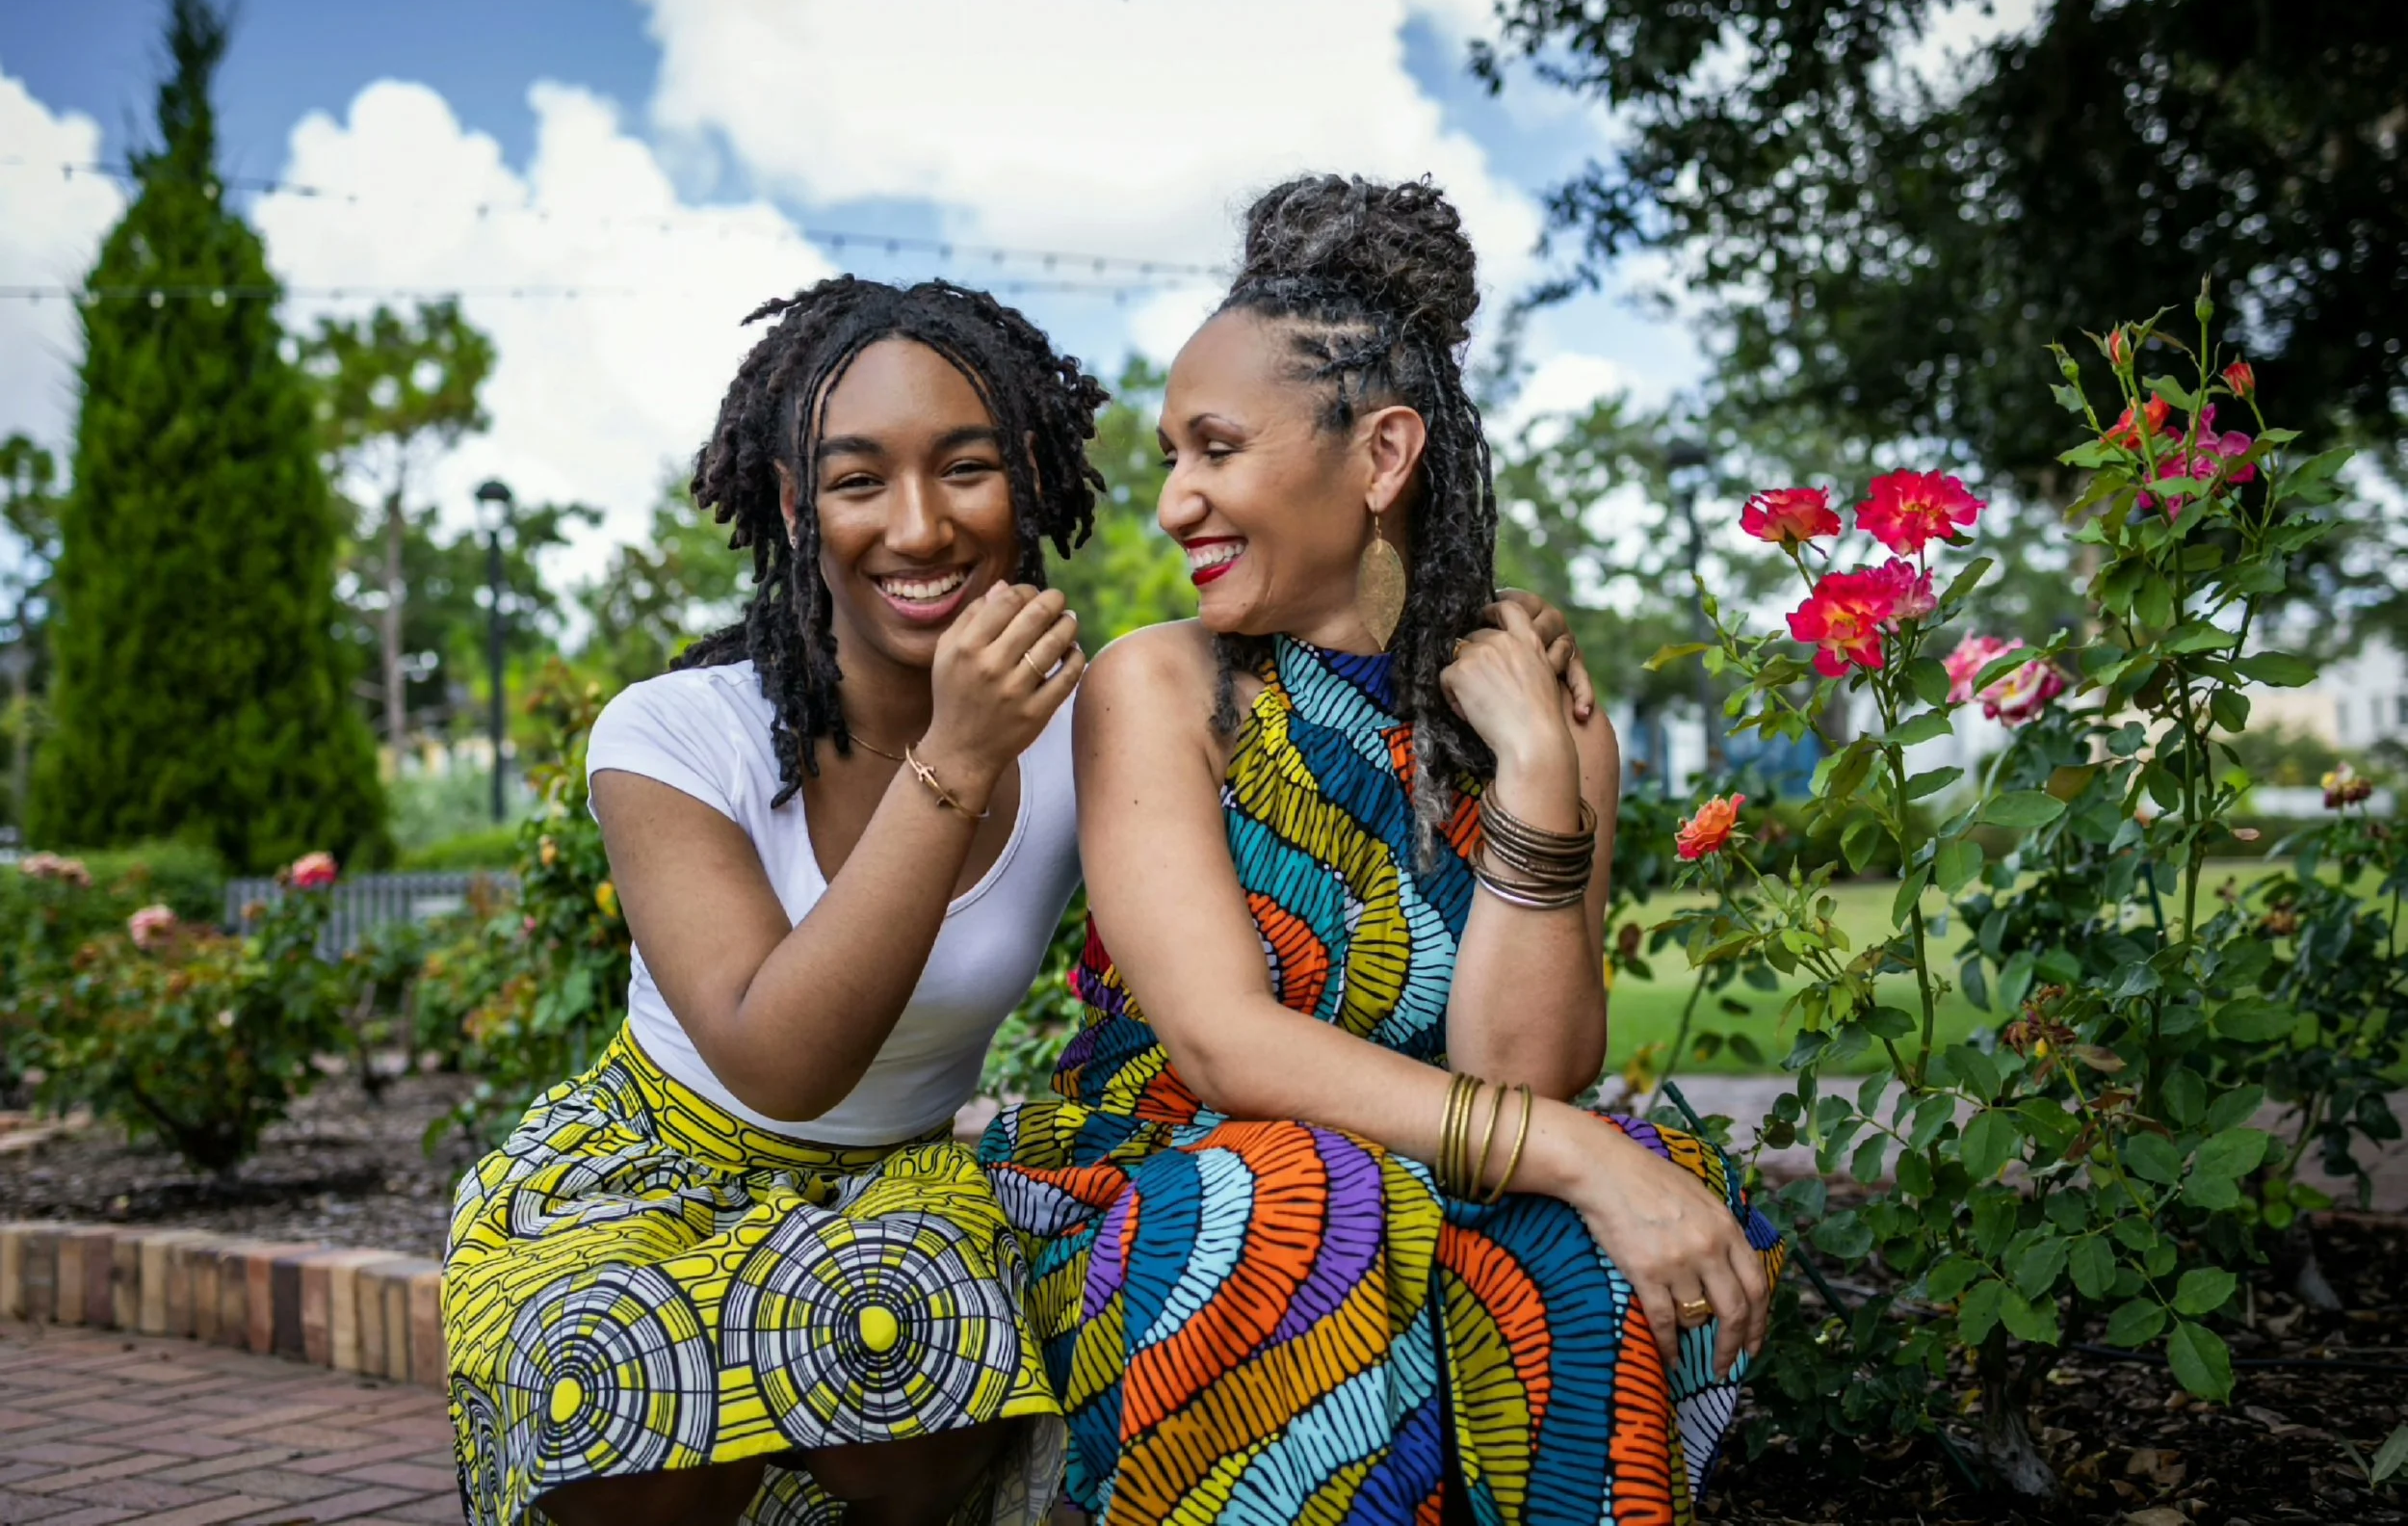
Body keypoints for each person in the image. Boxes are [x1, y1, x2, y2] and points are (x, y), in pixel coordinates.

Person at [441, 273, 1596, 1526]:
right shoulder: (674, 732)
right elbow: (780, 1062)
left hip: (893, 1183)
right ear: (791, 504)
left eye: (967, 468)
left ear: (1031, 481)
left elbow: (1308, 659)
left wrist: (1485, 619)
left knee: (908, 1414)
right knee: (630, 1417)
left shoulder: (1080, 724)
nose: (920, 525)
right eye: (857, 479)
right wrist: (956, 758)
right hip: (651, 1164)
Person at [979, 176, 1787, 1526]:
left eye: (1215, 450)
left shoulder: (1543, 710)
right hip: (1182, 1176)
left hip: (1462, 1168)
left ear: (1383, 455)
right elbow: (1225, 1050)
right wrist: (1588, 1154)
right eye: (1173, 457)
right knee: (1300, 1201)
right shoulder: (1164, 687)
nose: (1174, 501)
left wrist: (1536, 775)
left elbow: (1522, 1073)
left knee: (1580, 1250)